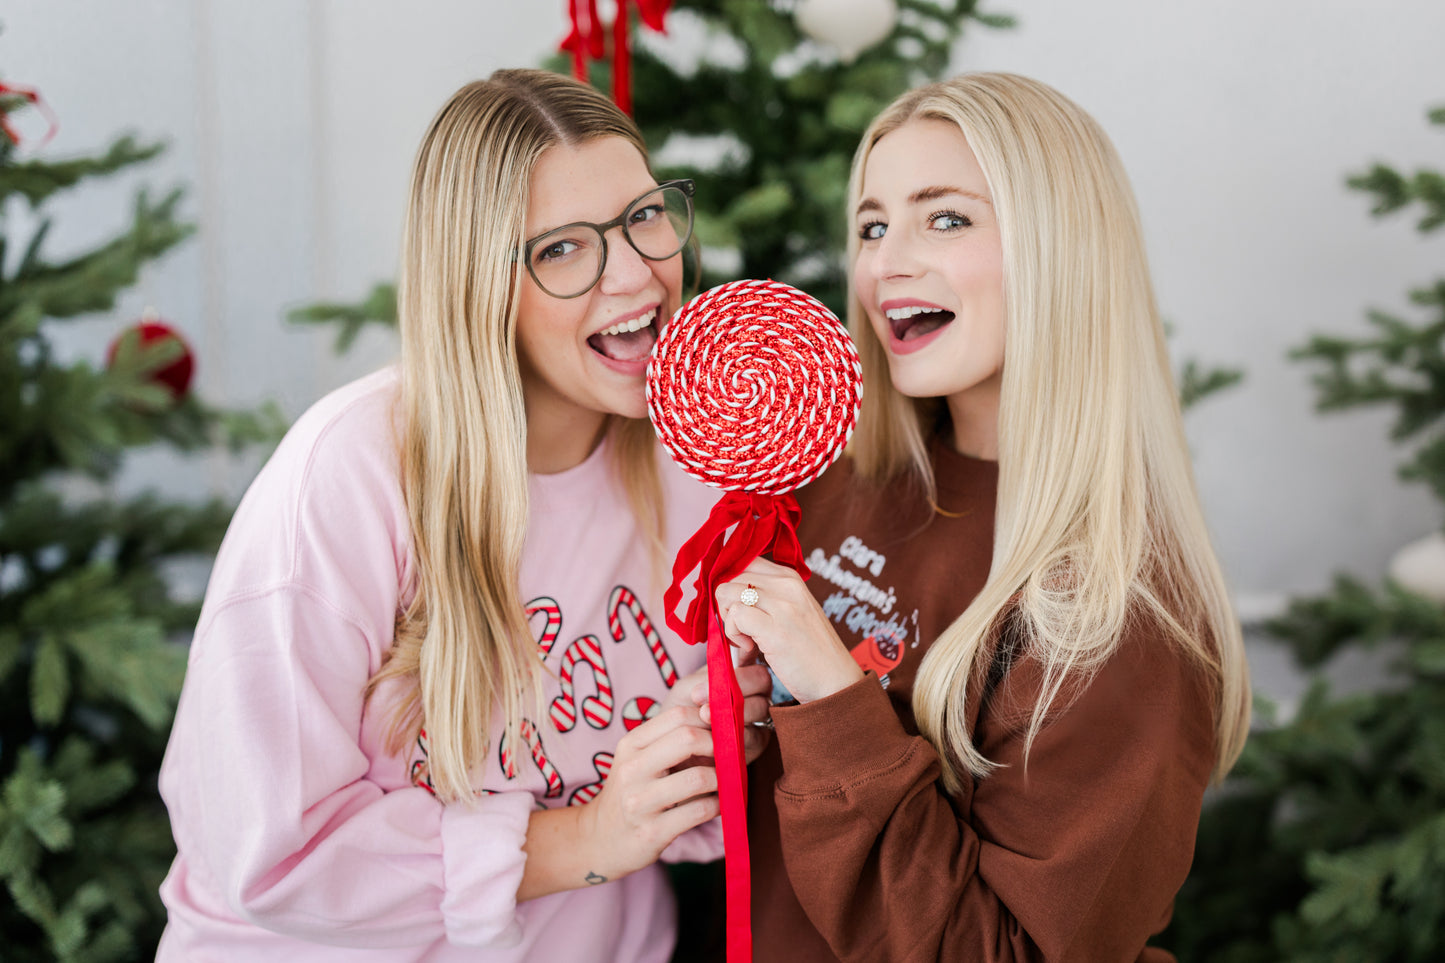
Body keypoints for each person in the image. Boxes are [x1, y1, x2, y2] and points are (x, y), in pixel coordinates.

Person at [156, 68, 771, 962]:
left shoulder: (699, 465)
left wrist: (717, 742)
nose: (637, 273)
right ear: (480, 283)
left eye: (645, 215)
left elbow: (690, 801)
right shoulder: (350, 477)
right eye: (563, 247)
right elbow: (271, 852)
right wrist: (585, 838)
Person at [714, 72, 1252, 962]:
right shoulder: (831, 485)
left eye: (947, 217)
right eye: (872, 225)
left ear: (1061, 250)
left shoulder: (1121, 617)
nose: (886, 261)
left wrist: (833, 697)